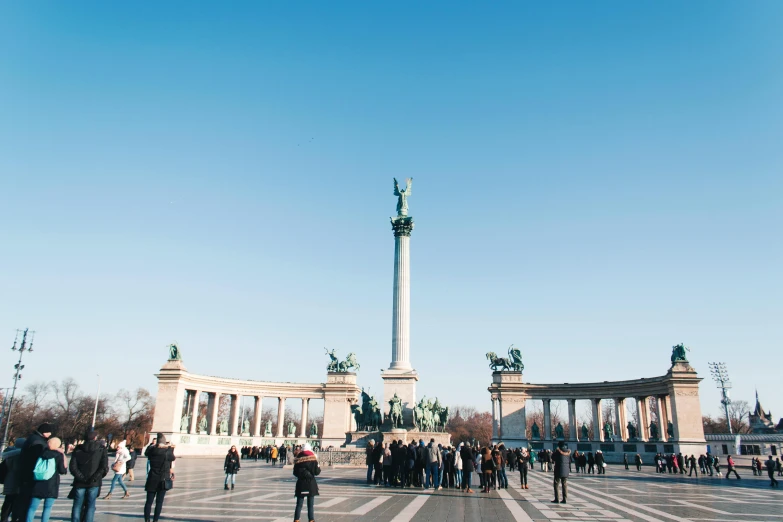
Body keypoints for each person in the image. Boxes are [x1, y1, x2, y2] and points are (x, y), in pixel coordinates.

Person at [68, 431, 109, 522]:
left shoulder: (78, 449)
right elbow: (103, 467)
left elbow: (73, 467)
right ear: (95, 438)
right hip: (94, 482)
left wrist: (81, 477)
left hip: (80, 482)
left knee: (77, 505)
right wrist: (95, 478)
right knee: (91, 505)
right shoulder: (101, 449)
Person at [26, 437, 66, 522]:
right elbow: (62, 470)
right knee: (47, 508)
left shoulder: (41, 453)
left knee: (32, 507)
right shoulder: (58, 455)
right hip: (52, 484)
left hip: (38, 482)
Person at [18, 423, 54, 520]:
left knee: (24, 500)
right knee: (27, 501)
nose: (50, 434)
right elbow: (36, 458)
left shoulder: (34, 438)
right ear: (43, 432)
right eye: (48, 432)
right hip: (30, 474)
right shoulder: (38, 442)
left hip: (25, 473)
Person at [144, 433, 176, 522]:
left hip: (151, 478)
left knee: (148, 502)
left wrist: (153, 445)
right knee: (159, 502)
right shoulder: (167, 453)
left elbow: (146, 452)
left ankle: (147, 520)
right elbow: (173, 458)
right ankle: (155, 520)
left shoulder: (152, 452)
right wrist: (170, 447)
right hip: (163, 480)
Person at [292, 443, 320, 522]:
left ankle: (296, 519)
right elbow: (317, 472)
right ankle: (311, 519)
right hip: (310, 483)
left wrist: (302, 474)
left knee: (299, 504)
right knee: (310, 505)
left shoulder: (298, 460)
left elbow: (295, 472)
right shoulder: (313, 459)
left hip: (301, 483)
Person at [1, 438, 25, 522]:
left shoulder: (8, 456)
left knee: (8, 501)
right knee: (17, 502)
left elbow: (3, 470)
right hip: (19, 481)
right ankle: (15, 519)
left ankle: (4, 518)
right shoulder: (23, 455)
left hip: (9, 481)